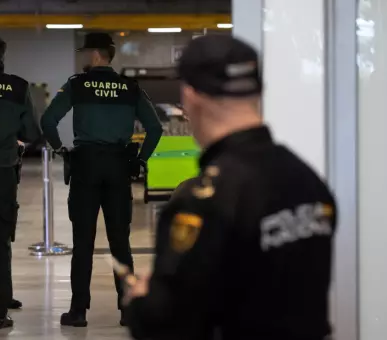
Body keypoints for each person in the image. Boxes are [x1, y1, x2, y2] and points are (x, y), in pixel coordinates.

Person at [124, 34, 337, 340]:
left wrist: (142, 301)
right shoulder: (307, 180)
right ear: (258, 90)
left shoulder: (204, 200)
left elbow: (169, 326)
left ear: (191, 96)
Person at [40, 32, 163, 327]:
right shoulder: (130, 87)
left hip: (86, 167)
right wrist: (140, 160)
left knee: (83, 242)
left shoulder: (77, 84)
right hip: (119, 167)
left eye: (86, 52)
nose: (84, 57)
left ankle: (78, 311)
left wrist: (60, 150)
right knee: (120, 241)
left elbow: (48, 120)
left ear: (95, 54)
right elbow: (155, 128)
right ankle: (127, 309)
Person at [0, 30, 40, 329]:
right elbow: (30, 132)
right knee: (0, 242)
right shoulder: (17, 87)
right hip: (3, 172)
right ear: (2, 56)